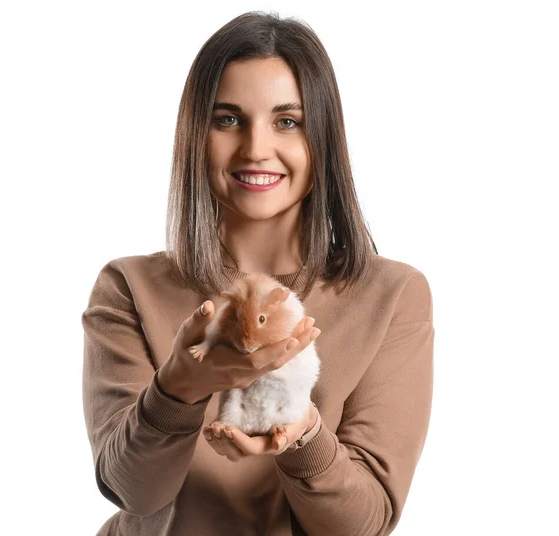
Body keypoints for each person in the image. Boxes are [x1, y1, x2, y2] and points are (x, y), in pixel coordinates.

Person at [81, 10, 434, 536]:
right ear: (195, 136)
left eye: (287, 121)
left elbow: (362, 525)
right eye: (228, 119)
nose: (256, 149)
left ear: (324, 141)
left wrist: (300, 430)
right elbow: (135, 490)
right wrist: (178, 389)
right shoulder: (130, 288)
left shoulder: (390, 296)